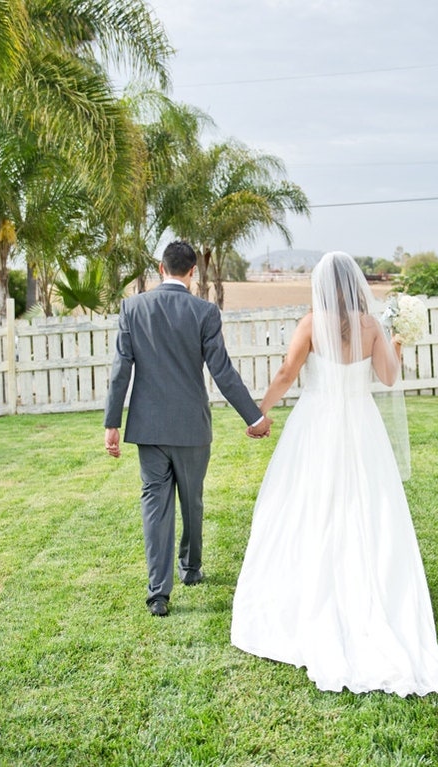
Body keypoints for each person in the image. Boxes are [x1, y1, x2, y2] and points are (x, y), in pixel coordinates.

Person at [231, 251, 438, 696]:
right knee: (367, 508)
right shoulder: (373, 326)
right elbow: (389, 379)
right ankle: (371, 595)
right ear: (354, 286)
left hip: (317, 423)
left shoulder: (311, 324)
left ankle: (310, 597)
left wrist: (258, 411)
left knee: (305, 506)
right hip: (361, 425)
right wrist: (398, 341)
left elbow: (286, 372)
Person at [104, 240, 271, 618]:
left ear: (160, 269)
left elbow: (120, 372)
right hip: (192, 427)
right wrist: (254, 417)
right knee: (191, 500)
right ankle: (190, 569)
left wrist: (112, 423)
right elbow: (222, 372)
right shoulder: (205, 312)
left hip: (148, 428)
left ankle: (158, 592)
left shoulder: (133, 308)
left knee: (154, 506)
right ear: (193, 272)